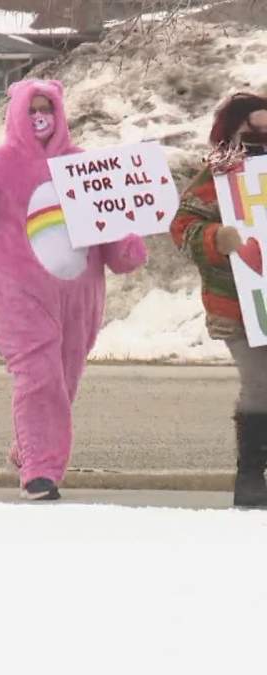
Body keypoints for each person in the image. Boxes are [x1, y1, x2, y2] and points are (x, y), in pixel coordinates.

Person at [0, 80, 148, 500]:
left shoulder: (83, 166)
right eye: (32, 108)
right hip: (12, 290)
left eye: (48, 108)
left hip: (77, 298)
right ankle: (40, 472)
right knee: (39, 374)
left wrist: (128, 244)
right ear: (17, 112)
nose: (40, 117)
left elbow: (113, 244)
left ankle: (31, 446)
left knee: (62, 380)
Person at [170, 92, 267, 508]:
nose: (261, 138)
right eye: (252, 131)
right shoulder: (217, 176)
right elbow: (183, 225)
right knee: (260, 386)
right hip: (239, 304)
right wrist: (217, 239)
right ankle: (250, 476)